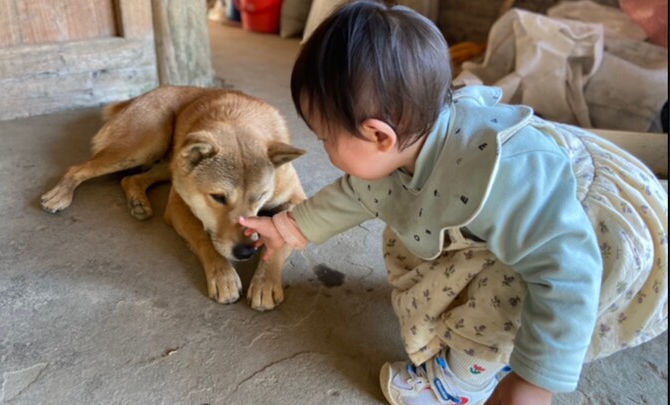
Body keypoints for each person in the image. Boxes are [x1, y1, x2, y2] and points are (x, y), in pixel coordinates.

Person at [239, 1, 669, 404]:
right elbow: (360, 192)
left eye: (324, 137)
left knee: (505, 291)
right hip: (537, 210)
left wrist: (535, 380)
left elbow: (569, 271)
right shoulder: (406, 140)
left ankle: (462, 382)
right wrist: (286, 227)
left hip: (590, 233)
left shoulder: (502, 183)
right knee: (426, 229)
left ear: (379, 135)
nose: (324, 149)